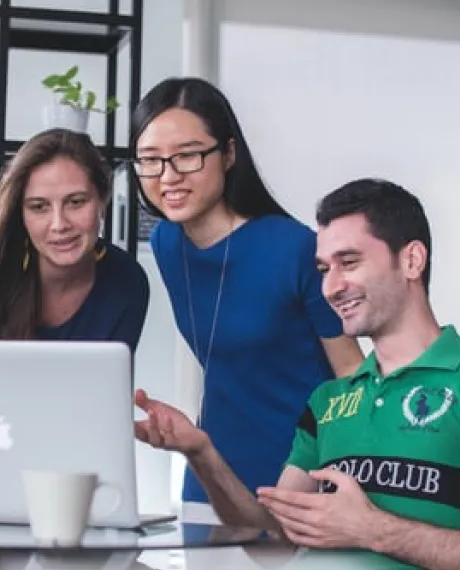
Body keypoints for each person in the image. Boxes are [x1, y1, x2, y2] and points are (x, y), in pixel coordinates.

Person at [134, 178, 460, 569]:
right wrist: (202, 452)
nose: (331, 287)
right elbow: (274, 541)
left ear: (411, 260)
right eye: (324, 269)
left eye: (348, 262)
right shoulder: (327, 401)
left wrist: (374, 530)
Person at [129, 77, 364, 512]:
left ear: (229, 153)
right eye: (151, 160)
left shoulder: (294, 248)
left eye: (188, 156)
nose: (168, 176)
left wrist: (336, 480)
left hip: (302, 480)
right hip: (211, 478)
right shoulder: (166, 243)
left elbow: (353, 375)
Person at [0, 128, 149, 353]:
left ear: (102, 200)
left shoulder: (127, 281)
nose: (59, 224)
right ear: (20, 213)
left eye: (75, 202)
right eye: (39, 207)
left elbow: (109, 384)